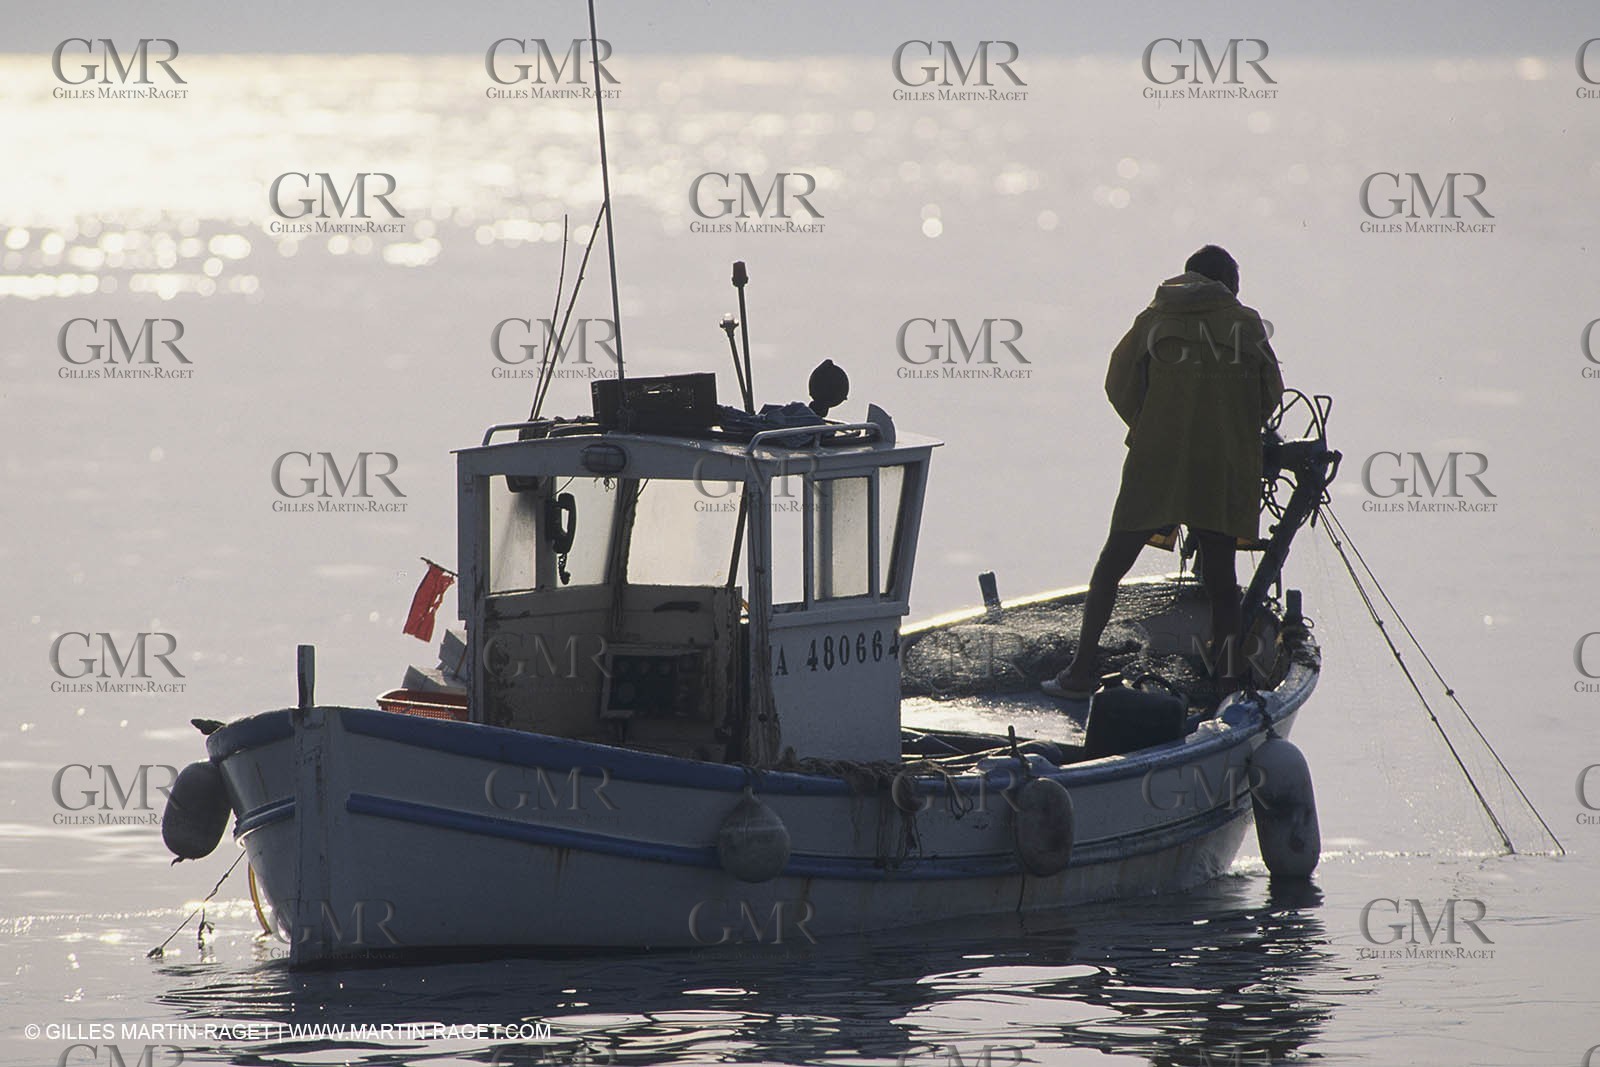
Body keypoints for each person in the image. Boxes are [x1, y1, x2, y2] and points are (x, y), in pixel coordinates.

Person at [1045, 245, 1284, 699]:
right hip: (1220, 467)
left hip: (1156, 463)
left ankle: (1079, 673)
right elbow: (1270, 394)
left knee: (1111, 567)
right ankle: (1227, 680)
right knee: (1222, 583)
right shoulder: (1246, 324)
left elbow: (1118, 384)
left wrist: (1150, 424)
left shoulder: (1155, 318)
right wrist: (1233, 431)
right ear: (1229, 285)